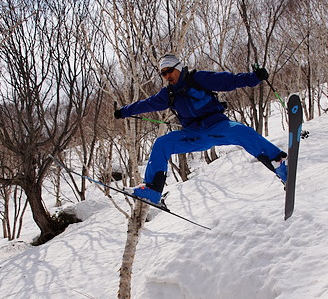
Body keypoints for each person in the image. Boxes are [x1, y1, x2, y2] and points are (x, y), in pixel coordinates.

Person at [114, 54, 288, 205]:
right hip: (194, 135)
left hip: (217, 126)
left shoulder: (198, 79)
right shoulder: (168, 94)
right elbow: (146, 104)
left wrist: (254, 77)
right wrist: (124, 112)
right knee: (163, 143)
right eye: (163, 73)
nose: (167, 76)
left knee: (242, 132)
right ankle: (152, 189)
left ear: (179, 68)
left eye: (169, 71)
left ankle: (279, 164)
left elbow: (230, 81)